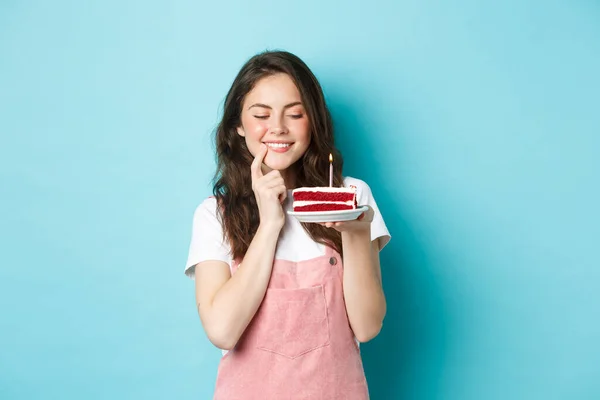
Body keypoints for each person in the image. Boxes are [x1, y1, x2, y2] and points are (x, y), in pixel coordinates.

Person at [185, 50, 391, 399]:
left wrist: (356, 232)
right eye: (261, 115)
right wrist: (269, 225)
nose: (278, 128)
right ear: (238, 125)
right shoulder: (214, 215)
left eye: (295, 114)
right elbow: (222, 331)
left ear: (314, 121)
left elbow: (368, 326)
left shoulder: (351, 196)